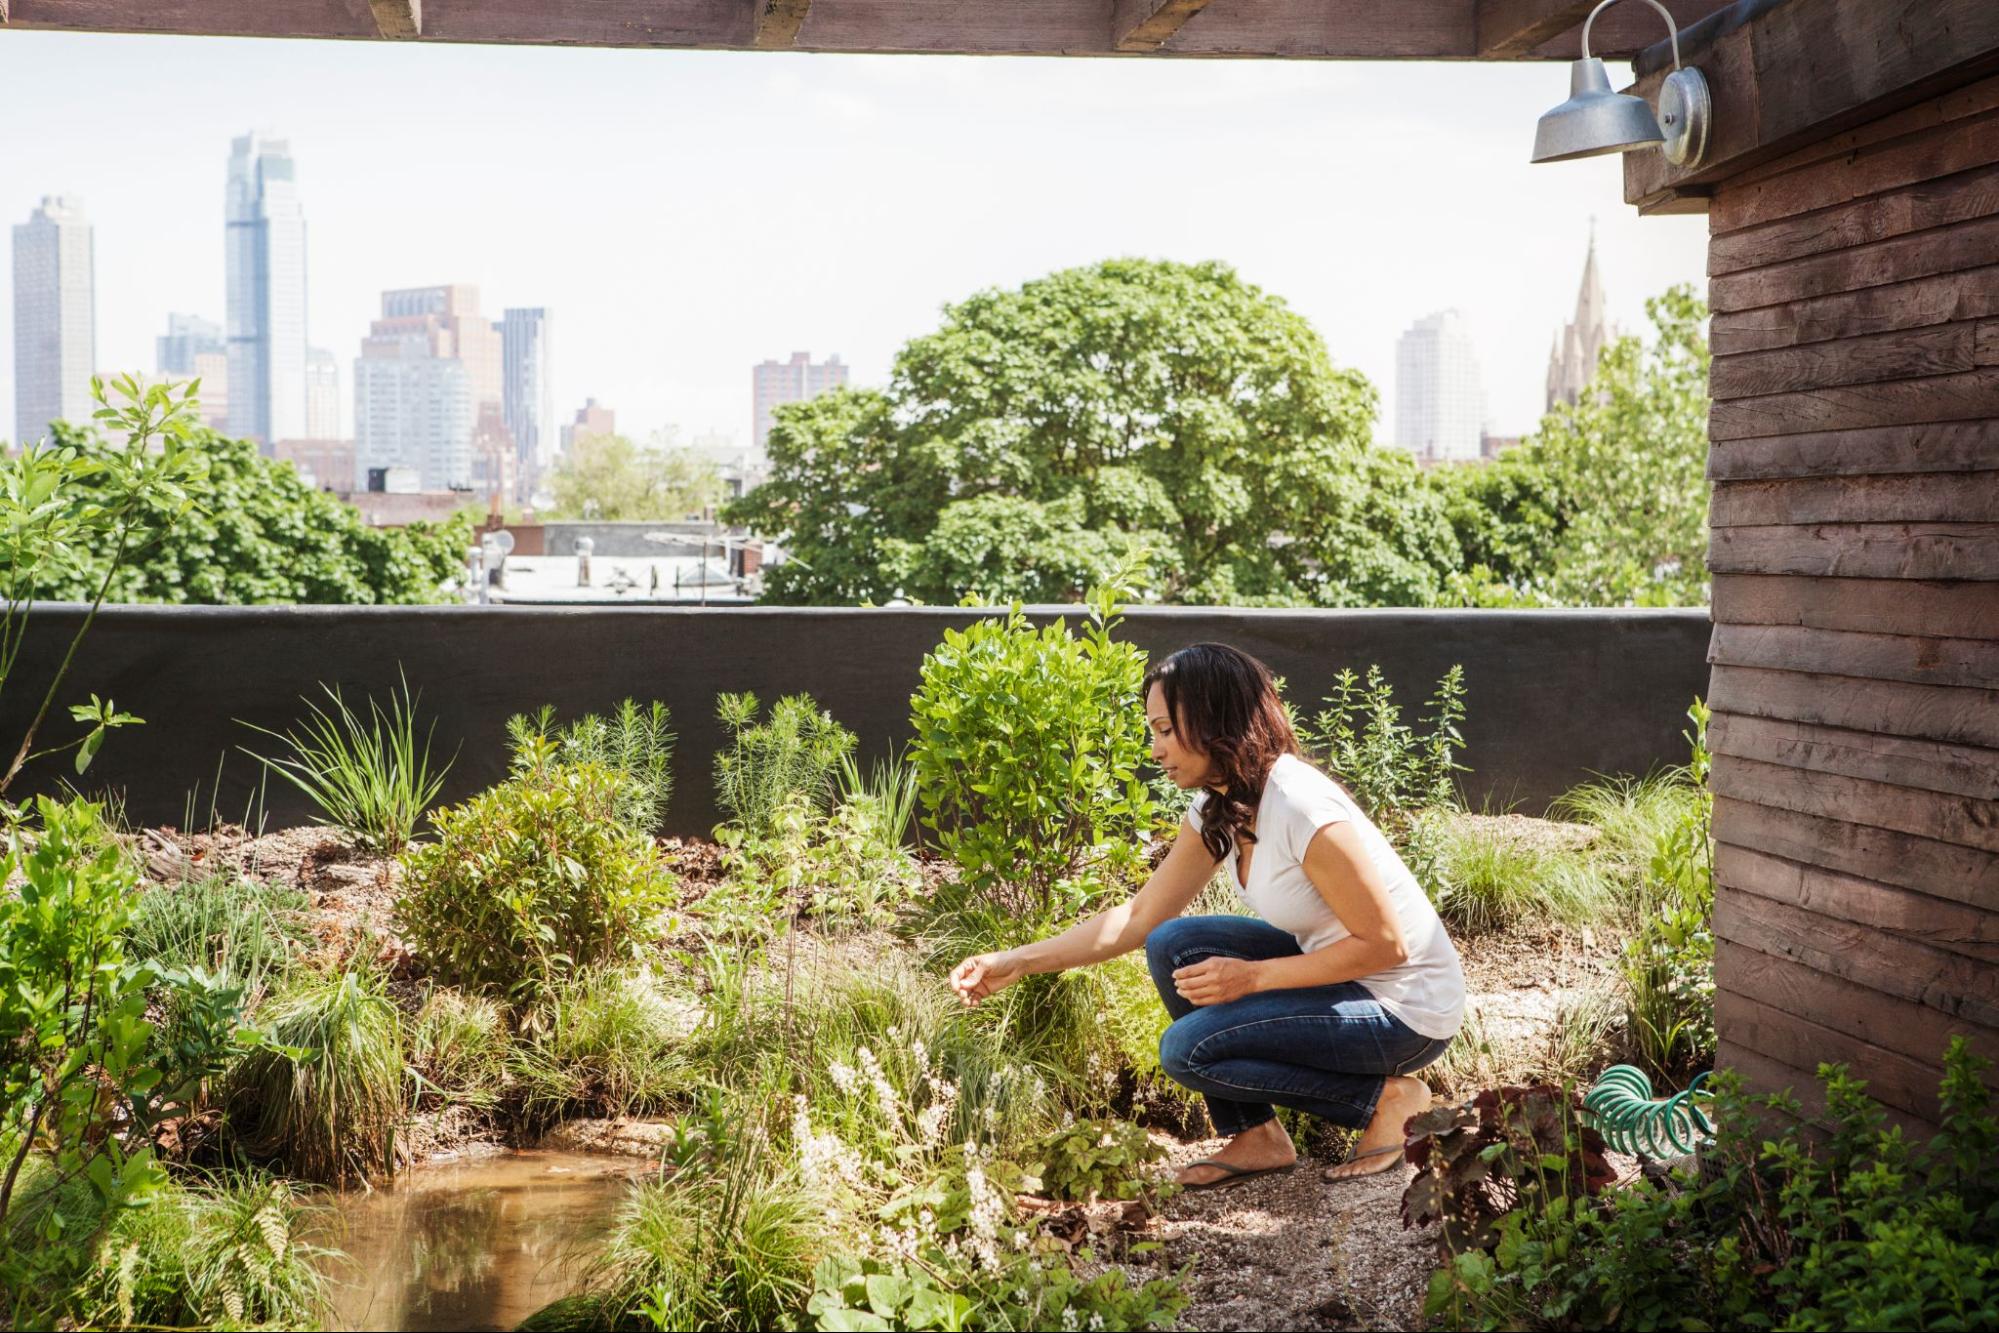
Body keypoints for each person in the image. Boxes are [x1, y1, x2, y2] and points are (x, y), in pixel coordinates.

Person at [949, 642, 1466, 1188]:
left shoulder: (1300, 805)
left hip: (1405, 1008)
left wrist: (1253, 978)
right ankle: (1257, 1135)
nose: (1155, 750)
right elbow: (1141, 916)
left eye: (1166, 730)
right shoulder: (1222, 805)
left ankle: (1386, 1099)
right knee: (1174, 942)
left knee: (1186, 1050)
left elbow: (1387, 945)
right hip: (1343, 976)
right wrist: (1017, 962)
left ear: (1213, 718)